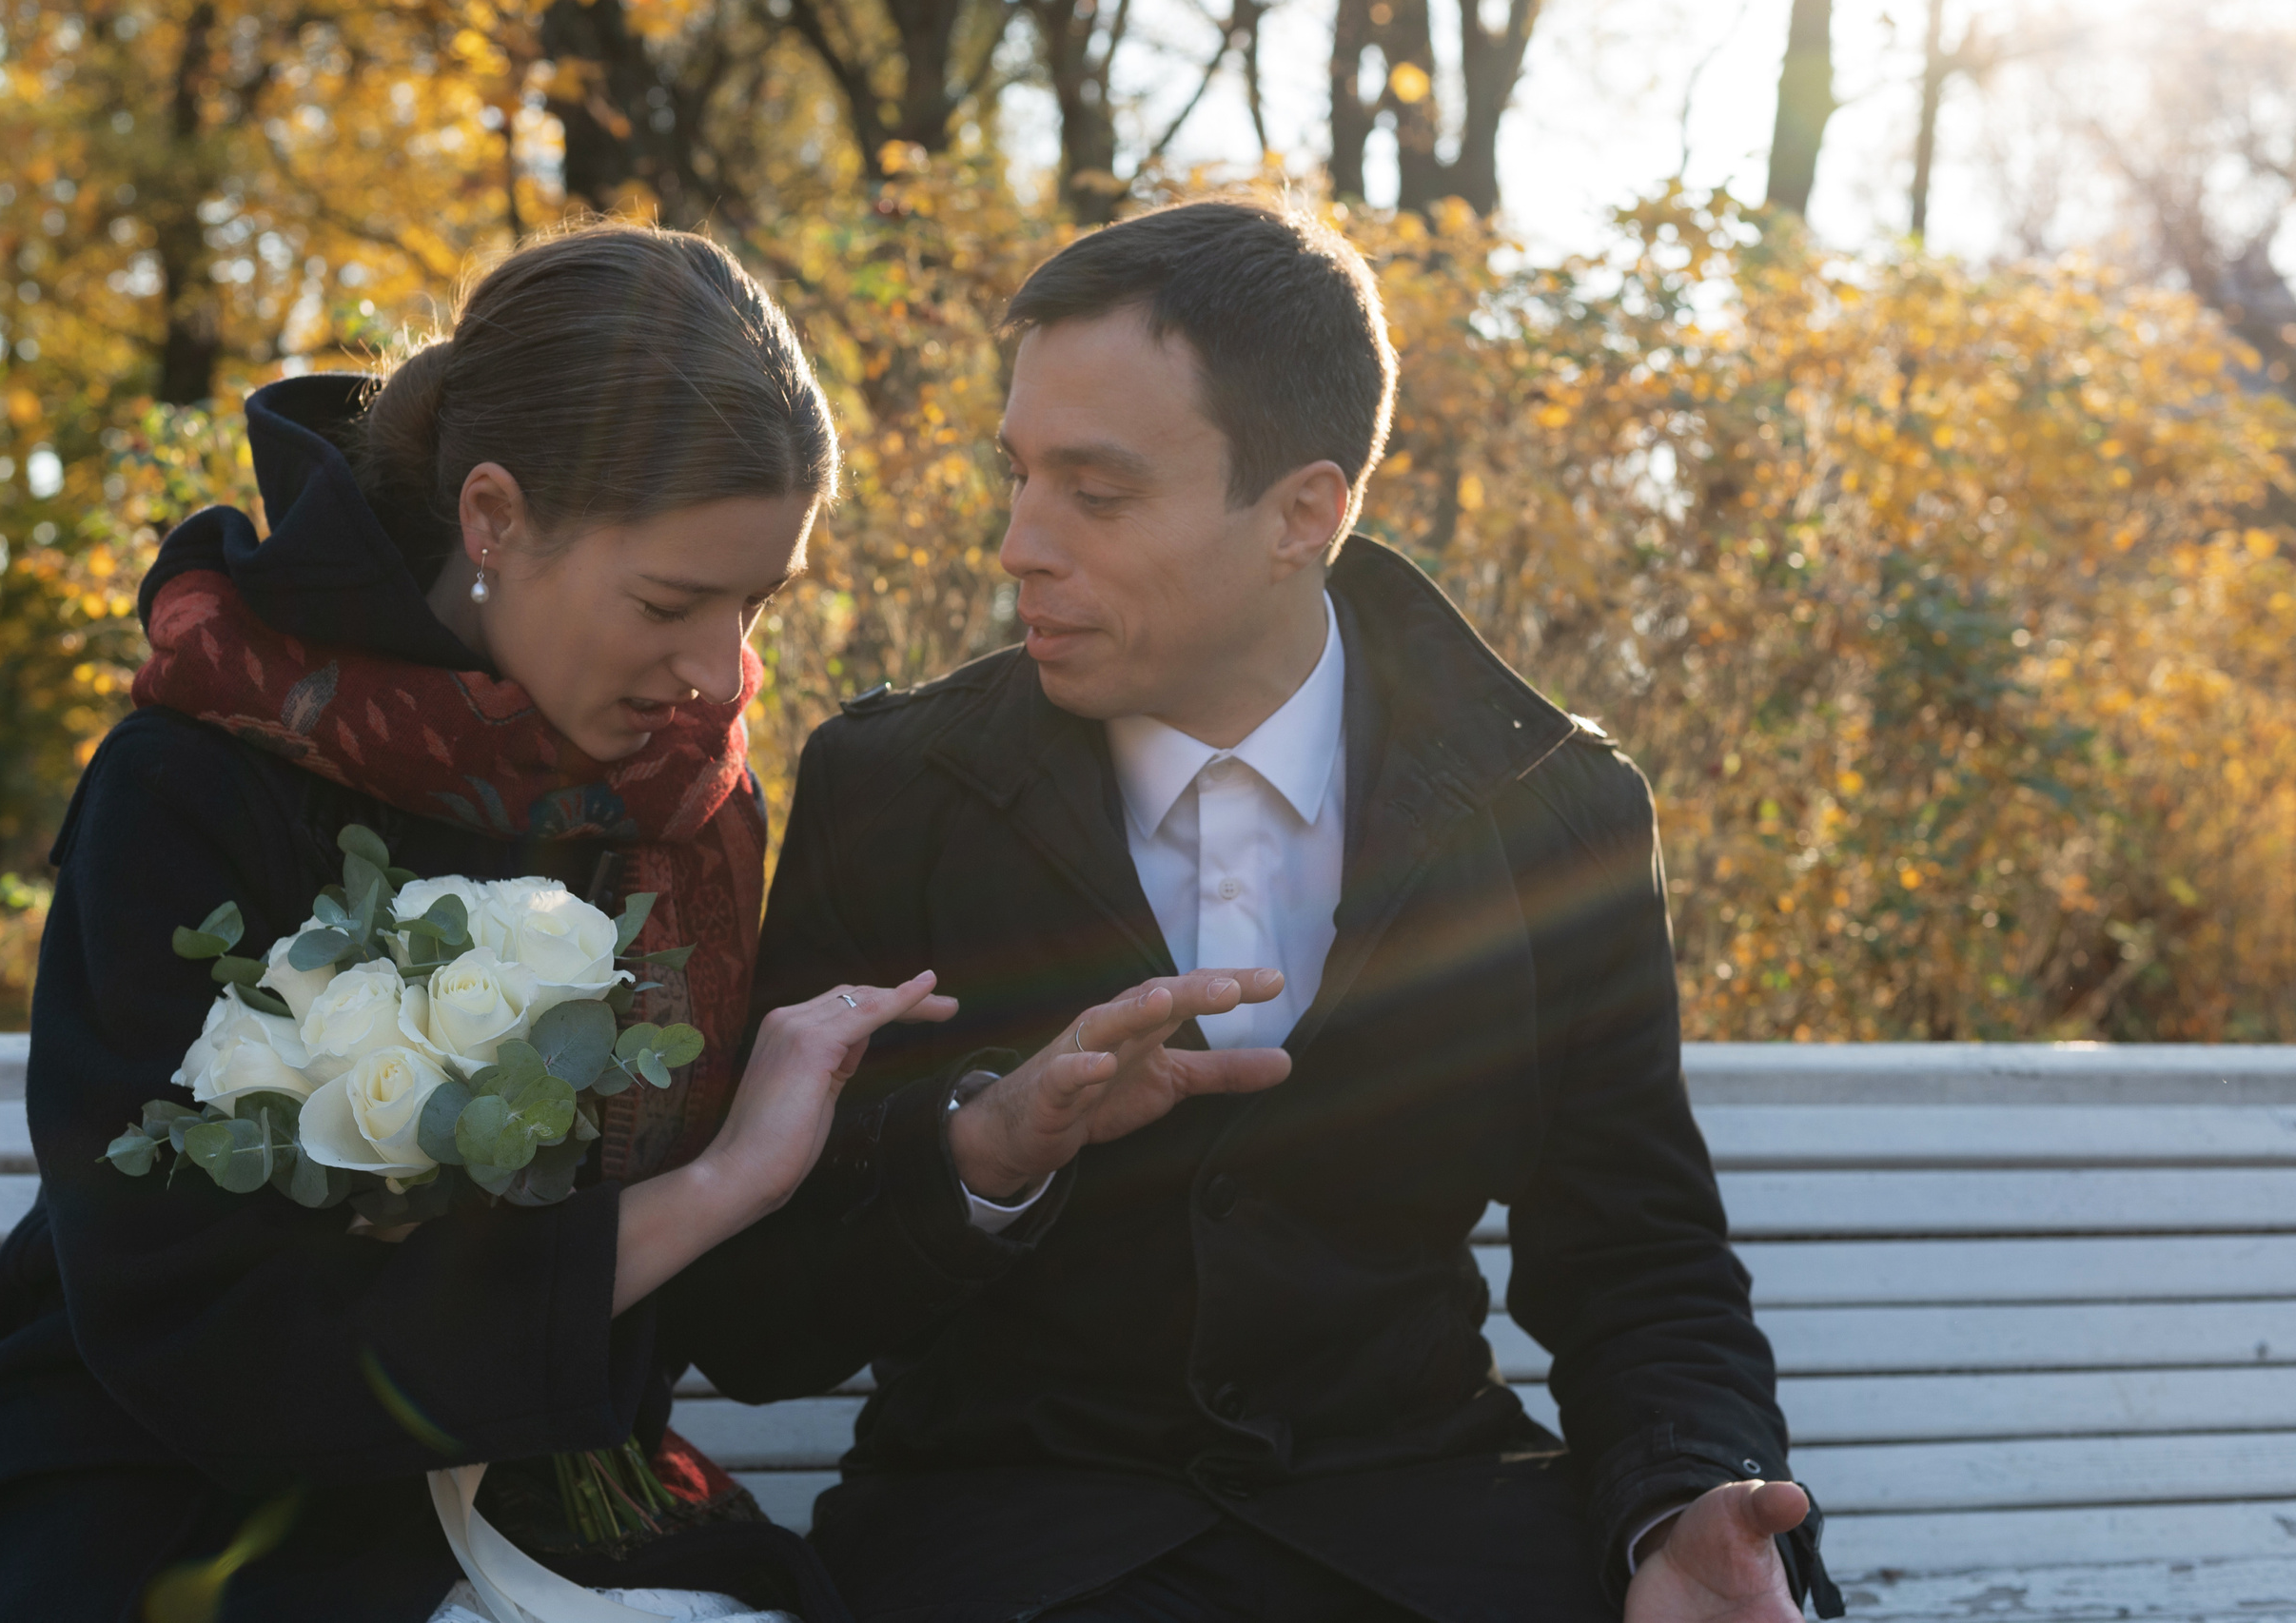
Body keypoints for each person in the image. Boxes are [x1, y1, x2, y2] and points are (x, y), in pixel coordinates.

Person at [677, 200, 1845, 1622]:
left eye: (1094, 495)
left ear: (1305, 511)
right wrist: (981, 1155)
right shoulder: (894, 787)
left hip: (1426, 1537)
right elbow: (750, 1323)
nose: (1018, 545)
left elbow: (1638, 1262)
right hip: (1008, 1549)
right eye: (1018, 475)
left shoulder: (1553, 809)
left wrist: (1685, 1504)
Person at [0, 223, 942, 1623]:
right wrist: (707, 1189)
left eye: (758, 602)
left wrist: (969, 1149)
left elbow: (729, 1327)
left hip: (553, 1490)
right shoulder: (196, 776)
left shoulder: (688, 808)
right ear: (491, 519)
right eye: (671, 599)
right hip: (177, 1498)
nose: (722, 673)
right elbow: (192, 1325)